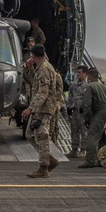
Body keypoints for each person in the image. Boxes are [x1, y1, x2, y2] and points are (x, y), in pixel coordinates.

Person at [20, 44, 61, 178]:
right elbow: (32, 81)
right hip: (39, 107)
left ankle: (44, 167)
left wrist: (30, 108)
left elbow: (43, 91)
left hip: (44, 108)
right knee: (29, 134)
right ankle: (49, 159)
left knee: (42, 135)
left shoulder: (44, 69)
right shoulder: (41, 67)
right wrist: (28, 68)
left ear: (33, 55)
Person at [78, 68, 106, 169]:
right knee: (103, 137)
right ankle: (102, 160)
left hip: (100, 113)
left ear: (88, 77)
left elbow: (87, 104)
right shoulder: (104, 87)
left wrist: (87, 118)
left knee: (92, 136)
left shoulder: (89, 87)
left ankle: (90, 160)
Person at [66, 65, 88, 158]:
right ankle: (74, 149)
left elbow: (88, 99)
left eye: (80, 73)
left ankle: (83, 150)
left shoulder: (87, 85)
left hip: (82, 112)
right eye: (77, 72)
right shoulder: (74, 84)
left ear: (85, 74)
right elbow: (70, 96)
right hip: (75, 111)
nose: (78, 74)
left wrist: (85, 108)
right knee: (74, 130)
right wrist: (69, 107)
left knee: (83, 130)